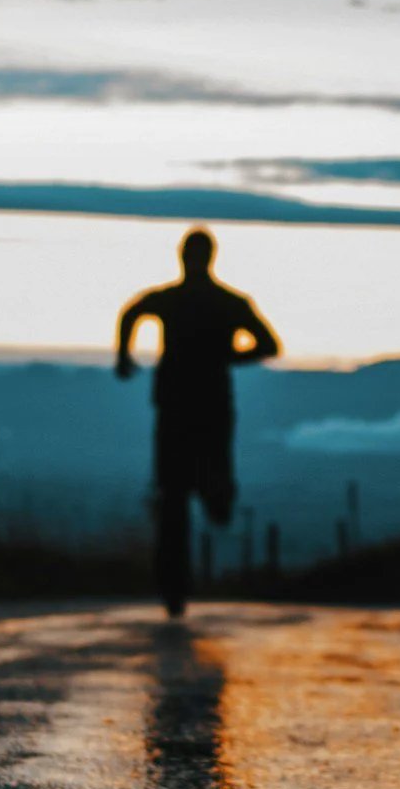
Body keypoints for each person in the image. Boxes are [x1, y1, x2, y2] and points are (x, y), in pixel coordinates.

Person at [116, 228, 281, 617]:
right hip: (208, 405)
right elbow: (267, 344)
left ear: (183, 257)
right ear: (210, 257)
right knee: (184, 490)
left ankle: (175, 581)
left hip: (178, 405)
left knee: (174, 492)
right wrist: (226, 356)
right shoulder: (230, 302)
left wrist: (123, 356)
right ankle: (177, 579)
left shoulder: (173, 299)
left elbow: (131, 312)